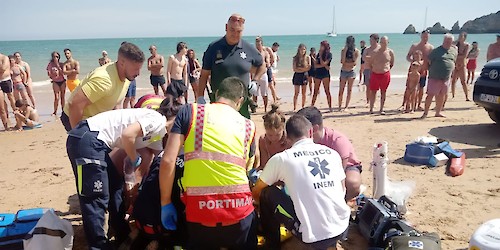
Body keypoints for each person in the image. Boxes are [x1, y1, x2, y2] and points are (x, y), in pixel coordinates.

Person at [160, 77, 258, 249]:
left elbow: (168, 161)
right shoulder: (249, 125)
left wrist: (165, 202)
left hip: (200, 212)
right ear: (240, 101)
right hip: (239, 212)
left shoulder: (191, 112)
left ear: (216, 94)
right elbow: (248, 166)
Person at [66, 98, 177, 249]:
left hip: (96, 142)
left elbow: (162, 160)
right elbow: (127, 135)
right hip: (88, 138)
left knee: (115, 187)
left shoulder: (159, 132)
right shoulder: (157, 119)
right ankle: (98, 246)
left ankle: (121, 233)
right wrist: (134, 157)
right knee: (96, 198)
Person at [252, 115, 350, 250]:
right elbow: (342, 190)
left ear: (287, 136)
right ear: (310, 132)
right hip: (342, 227)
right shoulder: (332, 154)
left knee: (267, 193)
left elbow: (257, 191)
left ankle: (272, 245)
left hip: (313, 237)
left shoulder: (282, 158)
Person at [61, 42, 145, 131]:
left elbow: (116, 103)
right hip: (76, 117)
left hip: (96, 118)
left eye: (139, 69)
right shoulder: (104, 80)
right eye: (135, 69)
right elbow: (75, 104)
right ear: (122, 63)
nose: (138, 73)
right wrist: (77, 134)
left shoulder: (127, 76)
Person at [198, 13, 265, 119]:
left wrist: (255, 80)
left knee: (242, 132)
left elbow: (262, 65)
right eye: (232, 30)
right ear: (226, 27)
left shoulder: (248, 48)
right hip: (219, 102)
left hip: (241, 103)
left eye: (239, 31)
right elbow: (204, 74)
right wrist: (200, 96)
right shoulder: (213, 48)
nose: (235, 34)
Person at [297, 106, 363, 202]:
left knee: (352, 183)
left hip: (346, 168)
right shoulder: (302, 140)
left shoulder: (337, 141)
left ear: (314, 129)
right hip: (315, 166)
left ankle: (343, 201)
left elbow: (339, 172)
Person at [421, 34, 458, 119]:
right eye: (446, 41)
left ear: (452, 42)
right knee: (430, 94)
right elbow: (428, 60)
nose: (447, 43)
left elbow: (454, 61)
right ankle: (425, 113)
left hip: (446, 78)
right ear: (443, 41)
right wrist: (425, 69)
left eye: (449, 41)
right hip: (435, 77)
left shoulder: (454, 50)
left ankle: (438, 112)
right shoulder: (436, 51)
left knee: (442, 95)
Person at [406, 30, 434, 111]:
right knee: (409, 88)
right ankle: (407, 104)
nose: (425, 38)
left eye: (427, 36)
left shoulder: (430, 47)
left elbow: (432, 59)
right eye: (424, 36)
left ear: (429, 37)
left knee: (421, 88)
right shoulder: (414, 46)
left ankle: (418, 105)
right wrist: (413, 62)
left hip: (423, 71)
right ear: (421, 36)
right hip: (413, 70)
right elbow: (408, 56)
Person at [367, 36, 394, 115]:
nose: (383, 44)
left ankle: (381, 109)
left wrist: (386, 69)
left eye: (384, 42)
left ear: (387, 43)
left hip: (385, 74)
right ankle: (371, 108)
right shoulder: (375, 52)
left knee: (383, 92)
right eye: (381, 42)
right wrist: (374, 69)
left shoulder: (390, 52)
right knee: (373, 92)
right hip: (375, 74)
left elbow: (392, 63)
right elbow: (370, 63)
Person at [258, 103, 290, 169]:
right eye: (270, 135)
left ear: (283, 128)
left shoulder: (290, 140)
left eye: (278, 135)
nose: (273, 138)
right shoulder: (263, 141)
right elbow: (264, 165)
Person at [339, 36, 360, 111]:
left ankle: (346, 106)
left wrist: (353, 53)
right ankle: (340, 106)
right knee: (341, 89)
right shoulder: (343, 50)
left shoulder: (356, 51)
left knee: (349, 90)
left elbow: (354, 63)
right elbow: (342, 61)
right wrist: (345, 51)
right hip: (344, 71)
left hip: (351, 71)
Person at [311, 40, 333, 111]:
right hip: (318, 73)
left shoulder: (329, 54)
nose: (320, 47)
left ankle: (330, 107)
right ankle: (312, 106)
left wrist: (320, 57)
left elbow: (324, 63)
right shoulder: (318, 54)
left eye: (322, 46)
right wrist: (324, 65)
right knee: (315, 91)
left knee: (327, 91)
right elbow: (316, 65)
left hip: (325, 74)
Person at [451, 32, 470, 101]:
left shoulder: (466, 45)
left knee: (463, 81)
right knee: (453, 81)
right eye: (459, 36)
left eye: (461, 36)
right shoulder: (455, 44)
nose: (459, 37)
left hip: (462, 64)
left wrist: (457, 56)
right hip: (455, 64)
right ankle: (453, 95)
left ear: (464, 37)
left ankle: (467, 96)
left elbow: (464, 56)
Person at [253, 36, 270, 112]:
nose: (258, 46)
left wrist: (264, 64)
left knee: (264, 93)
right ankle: (254, 108)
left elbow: (268, 63)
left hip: (263, 74)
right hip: (255, 74)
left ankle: (266, 109)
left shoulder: (265, 52)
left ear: (261, 44)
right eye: (256, 44)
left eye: (259, 44)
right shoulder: (253, 52)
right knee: (254, 93)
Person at [362, 34, 380, 107]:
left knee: (374, 87)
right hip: (367, 69)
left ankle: (373, 102)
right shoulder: (367, 49)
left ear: (376, 40)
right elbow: (364, 58)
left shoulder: (379, 48)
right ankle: (368, 101)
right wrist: (371, 58)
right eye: (370, 39)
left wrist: (371, 58)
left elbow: (380, 58)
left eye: (371, 39)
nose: (370, 41)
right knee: (368, 86)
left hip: (376, 69)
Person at [292, 44, 311, 111]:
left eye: (304, 49)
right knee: (296, 93)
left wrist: (300, 68)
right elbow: (294, 69)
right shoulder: (295, 58)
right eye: (301, 49)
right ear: (298, 49)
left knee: (304, 93)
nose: (302, 51)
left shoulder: (308, 57)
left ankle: (303, 106)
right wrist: (303, 69)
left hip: (304, 76)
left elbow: (308, 68)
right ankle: (294, 107)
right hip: (297, 75)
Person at [47, 52, 66, 116]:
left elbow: (63, 73)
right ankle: (55, 111)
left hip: (62, 81)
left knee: (62, 97)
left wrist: (58, 66)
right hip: (55, 82)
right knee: (57, 97)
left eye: (57, 57)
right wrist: (52, 74)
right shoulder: (50, 64)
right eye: (54, 56)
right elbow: (49, 75)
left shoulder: (61, 64)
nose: (56, 58)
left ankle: (63, 111)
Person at [0, 53, 12, 130]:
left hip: (4, 81)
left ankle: (6, 127)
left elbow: (2, 69)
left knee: (1, 107)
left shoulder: (4, 58)